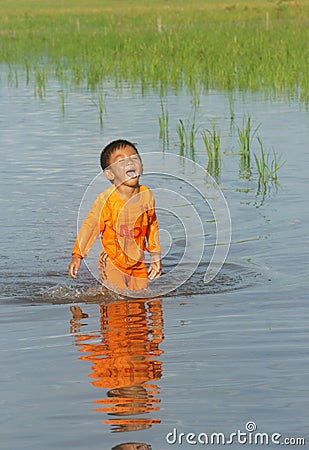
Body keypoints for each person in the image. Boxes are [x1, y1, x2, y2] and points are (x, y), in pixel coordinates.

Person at [68, 139, 162, 291]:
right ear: (109, 174)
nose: (129, 163)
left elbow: (152, 225)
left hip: (137, 261)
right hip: (112, 260)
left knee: (141, 296)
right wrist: (77, 255)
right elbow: (90, 225)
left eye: (134, 158)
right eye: (121, 161)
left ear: (142, 167)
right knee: (116, 298)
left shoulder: (147, 195)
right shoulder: (106, 200)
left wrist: (155, 255)